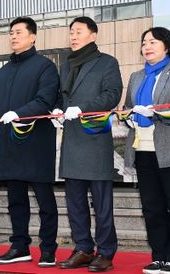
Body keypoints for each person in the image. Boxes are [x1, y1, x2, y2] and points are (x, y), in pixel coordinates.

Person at [0, 17, 60, 267]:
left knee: (45, 200)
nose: (13, 36)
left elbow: (45, 100)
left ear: (33, 36)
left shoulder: (45, 67)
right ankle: (19, 246)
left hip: (36, 142)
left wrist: (19, 113)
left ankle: (48, 249)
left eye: (18, 32)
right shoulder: (5, 70)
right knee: (15, 200)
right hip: (9, 144)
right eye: (11, 33)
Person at [124, 27, 170, 274]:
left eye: (153, 42)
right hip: (142, 147)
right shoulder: (136, 76)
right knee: (152, 207)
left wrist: (155, 112)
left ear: (167, 46)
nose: (147, 46)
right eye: (144, 42)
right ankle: (159, 256)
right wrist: (128, 116)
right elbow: (127, 107)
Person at [57, 16, 122, 272]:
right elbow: (62, 96)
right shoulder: (66, 64)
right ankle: (83, 248)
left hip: (95, 139)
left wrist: (82, 108)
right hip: (72, 140)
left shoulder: (107, 62)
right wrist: (59, 110)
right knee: (75, 203)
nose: (73, 36)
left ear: (93, 35)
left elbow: (112, 95)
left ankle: (105, 252)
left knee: (102, 203)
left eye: (79, 31)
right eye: (71, 32)